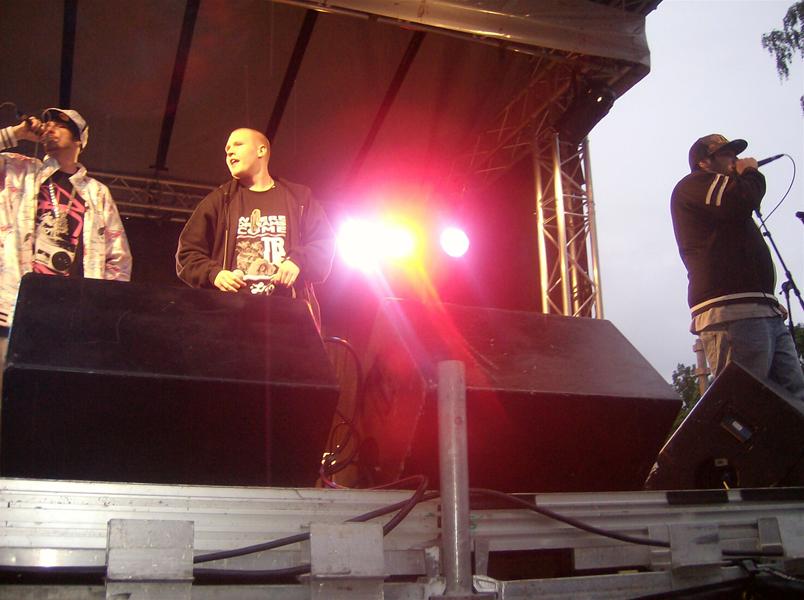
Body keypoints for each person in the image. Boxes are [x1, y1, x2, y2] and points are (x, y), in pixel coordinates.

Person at [670, 134, 804, 402]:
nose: (735, 159)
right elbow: (742, 199)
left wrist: (767, 301)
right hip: (731, 309)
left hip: (760, 308)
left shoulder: (724, 197)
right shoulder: (694, 185)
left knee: (794, 396)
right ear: (704, 162)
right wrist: (751, 172)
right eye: (726, 154)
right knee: (744, 401)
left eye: (735, 154)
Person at [175, 128, 335, 327]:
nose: (229, 152)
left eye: (238, 144)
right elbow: (187, 253)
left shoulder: (299, 198)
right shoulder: (220, 200)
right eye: (227, 149)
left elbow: (324, 242)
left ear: (261, 150)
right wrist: (214, 274)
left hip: (288, 318)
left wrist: (298, 261)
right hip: (231, 320)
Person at [0, 108, 132, 346]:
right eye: (47, 124)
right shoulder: (19, 170)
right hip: (12, 307)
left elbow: (118, 258)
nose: (49, 128)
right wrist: (16, 133)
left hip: (68, 317)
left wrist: (100, 309)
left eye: (59, 125)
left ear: (78, 139)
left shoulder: (96, 192)